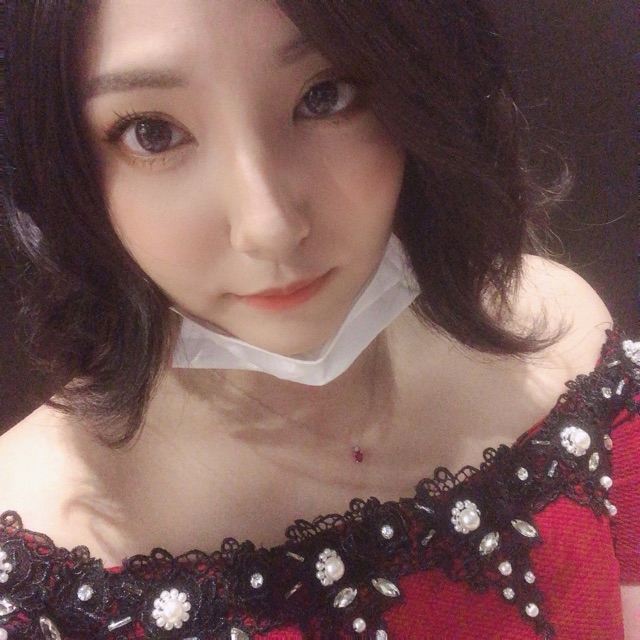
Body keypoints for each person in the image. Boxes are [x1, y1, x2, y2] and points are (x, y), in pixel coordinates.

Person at [1, 1, 638, 638]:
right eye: (153, 133)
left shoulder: (564, 345)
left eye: (324, 95)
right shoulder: (33, 559)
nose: (270, 228)